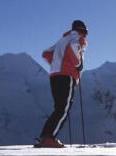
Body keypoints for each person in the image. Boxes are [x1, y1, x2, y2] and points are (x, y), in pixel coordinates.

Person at [35, 20, 88, 148]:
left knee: (59, 108)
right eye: (86, 32)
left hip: (54, 75)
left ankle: (44, 137)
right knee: (63, 108)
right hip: (67, 75)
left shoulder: (62, 40)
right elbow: (73, 49)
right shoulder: (78, 39)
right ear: (82, 30)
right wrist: (78, 64)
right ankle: (49, 138)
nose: (86, 36)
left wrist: (56, 65)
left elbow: (46, 54)